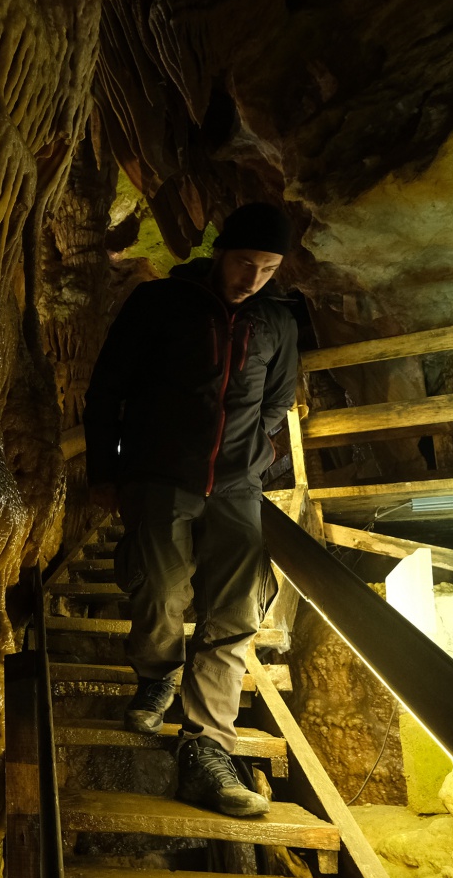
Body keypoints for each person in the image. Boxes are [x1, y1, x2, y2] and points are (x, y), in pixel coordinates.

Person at [83, 202, 299, 818]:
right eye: (242, 263)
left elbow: (277, 401)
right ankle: (158, 673)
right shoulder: (158, 305)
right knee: (159, 592)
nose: (250, 279)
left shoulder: (276, 322)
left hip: (236, 488)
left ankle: (206, 748)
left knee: (233, 615)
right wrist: (106, 470)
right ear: (219, 253)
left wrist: (250, 461)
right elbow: (108, 389)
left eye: (266, 268)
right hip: (158, 477)